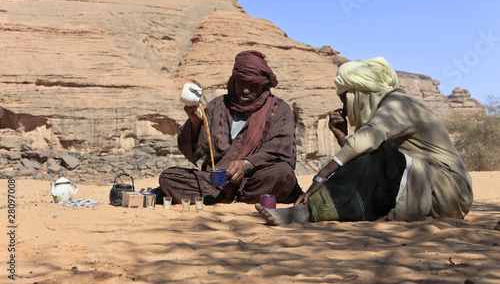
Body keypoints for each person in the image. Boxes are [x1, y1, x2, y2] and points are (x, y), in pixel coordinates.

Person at [256, 57, 473, 225]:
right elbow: (363, 156)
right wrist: (341, 136)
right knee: (377, 158)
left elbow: (368, 142)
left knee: (382, 155)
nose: (345, 109)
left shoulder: (400, 104)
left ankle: (306, 211)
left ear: (359, 95)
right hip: (426, 185)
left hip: (448, 191)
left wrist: (322, 175)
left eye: (346, 100)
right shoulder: (387, 108)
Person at [157, 50, 302, 205]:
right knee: (168, 177)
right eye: (241, 83)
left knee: (281, 173)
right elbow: (196, 151)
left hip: (256, 180)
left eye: (252, 85)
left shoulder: (279, 109)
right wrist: (195, 122)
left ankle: (224, 198)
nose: (245, 90)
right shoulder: (217, 106)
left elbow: (280, 151)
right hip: (218, 183)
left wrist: (246, 164)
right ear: (233, 81)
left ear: (262, 85)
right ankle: (233, 198)